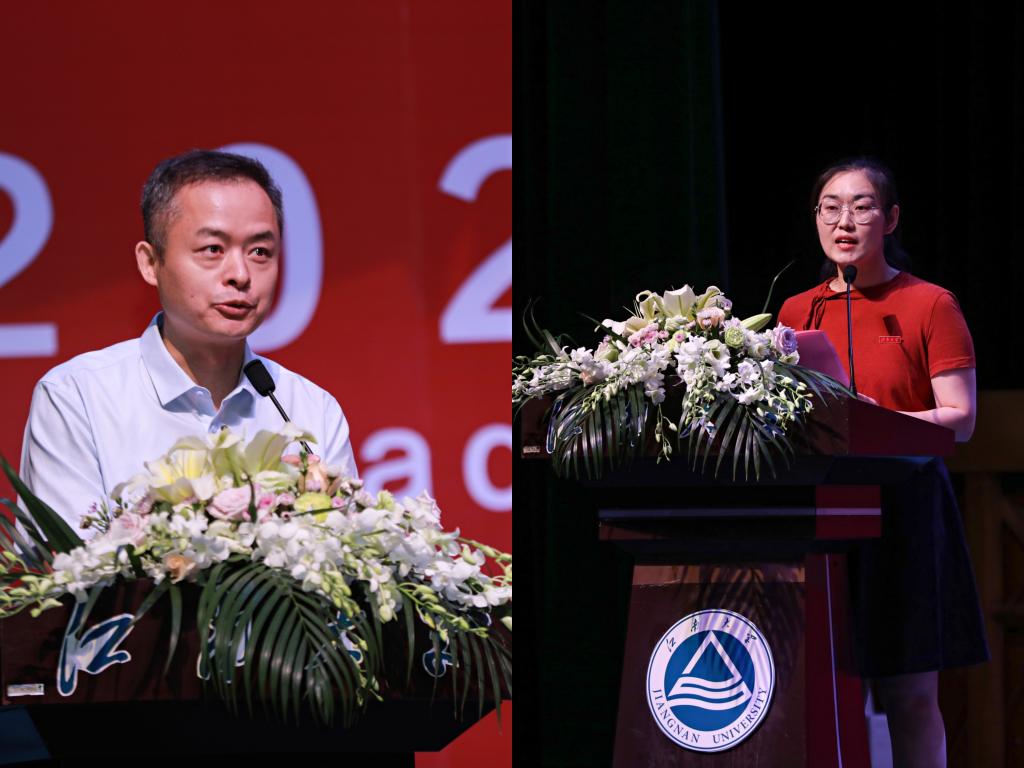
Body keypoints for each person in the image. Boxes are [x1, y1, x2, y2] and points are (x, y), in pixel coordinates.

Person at [19, 149, 356, 534]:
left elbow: (350, 557)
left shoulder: (310, 411)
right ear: (150, 263)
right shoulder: (77, 397)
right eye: (213, 249)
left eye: (260, 251)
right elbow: (67, 564)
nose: (240, 274)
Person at [778, 158, 988, 767]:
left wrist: (880, 420)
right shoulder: (796, 311)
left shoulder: (929, 304)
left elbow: (961, 418)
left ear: (890, 219)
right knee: (821, 689)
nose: (844, 221)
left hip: (905, 507)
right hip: (820, 509)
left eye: (862, 206)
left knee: (909, 695)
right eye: (830, 207)